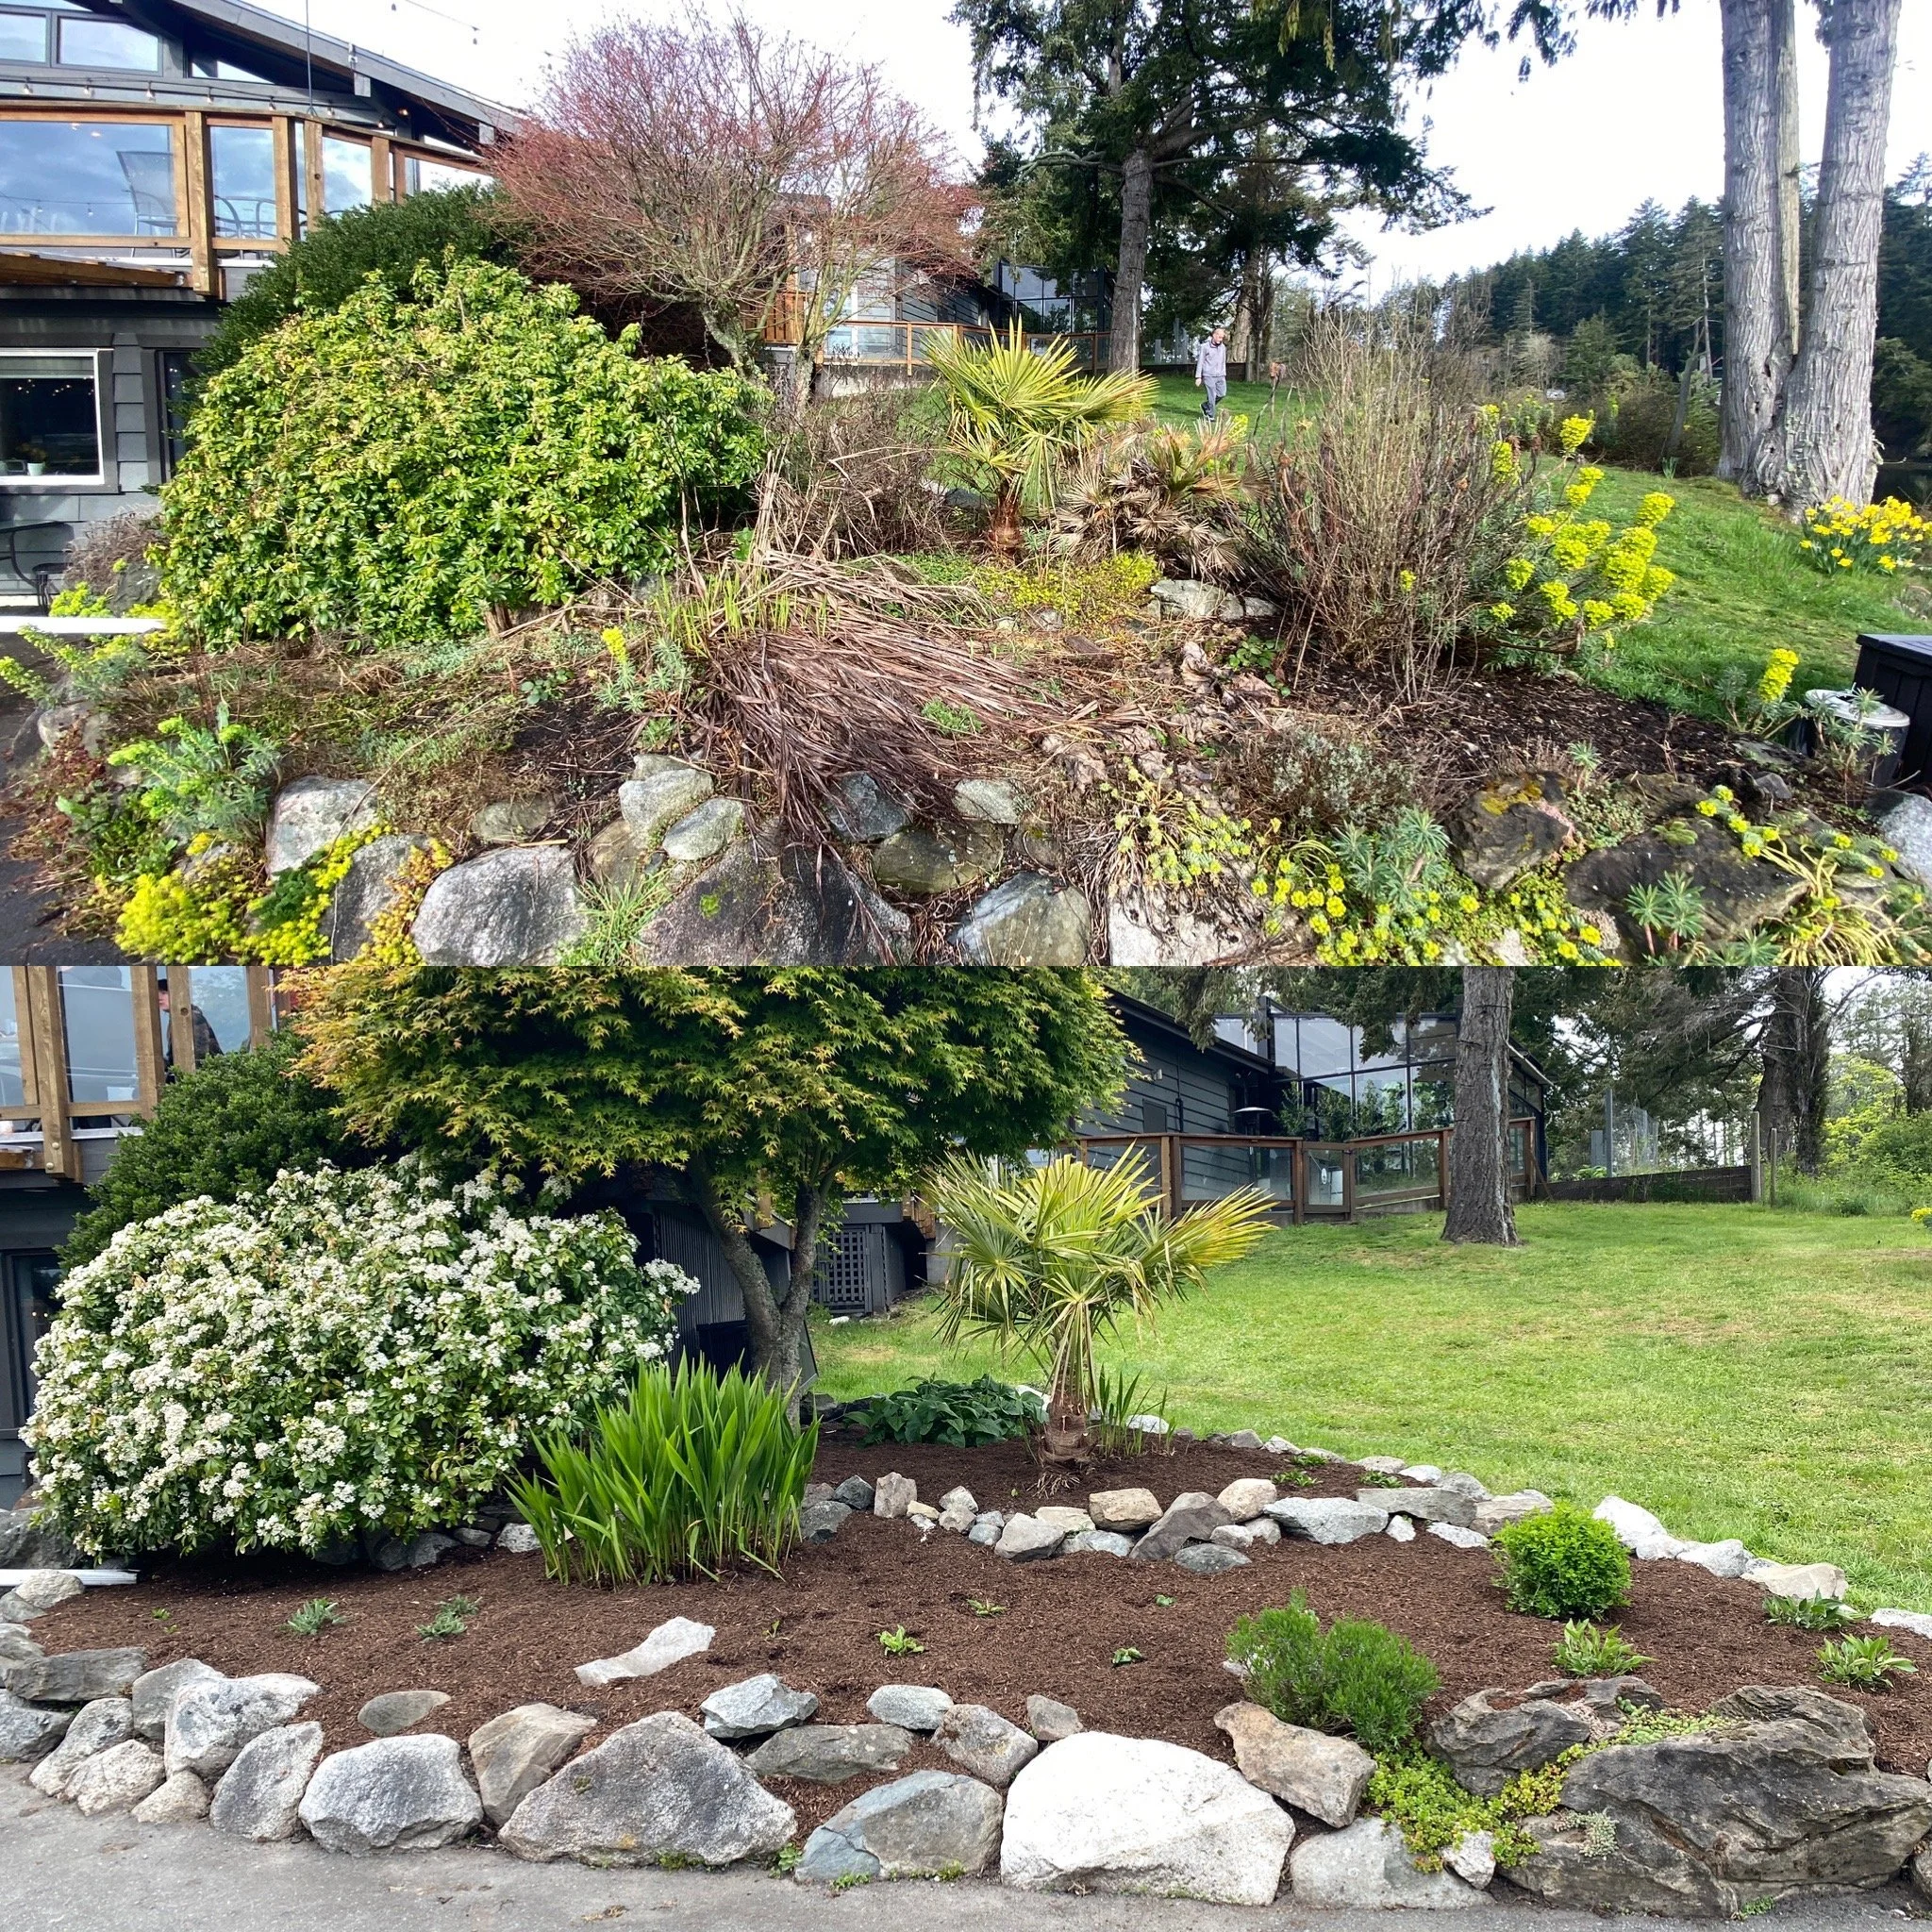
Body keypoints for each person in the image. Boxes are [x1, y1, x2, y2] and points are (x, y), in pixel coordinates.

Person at [1195, 327, 1229, 422]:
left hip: (1221, 375)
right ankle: (1210, 415)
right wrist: (1198, 377)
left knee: (1222, 394)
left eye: (1222, 338)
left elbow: (1223, 362)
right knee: (1212, 395)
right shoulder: (1205, 347)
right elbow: (1200, 362)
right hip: (1208, 375)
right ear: (1214, 335)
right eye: (1219, 337)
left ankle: (1205, 405)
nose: (1220, 340)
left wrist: (1224, 373)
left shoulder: (1223, 347)